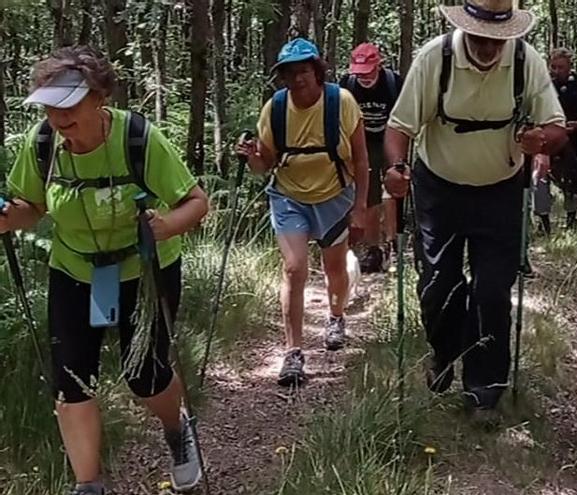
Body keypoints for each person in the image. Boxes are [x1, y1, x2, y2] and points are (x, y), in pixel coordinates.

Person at [0, 46, 209, 494]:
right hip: (74, 269)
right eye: (50, 107)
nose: (59, 118)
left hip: (145, 269)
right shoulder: (43, 144)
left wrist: (164, 225)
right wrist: (5, 216)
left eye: (69, 105)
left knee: (145, 376)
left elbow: (196, 202)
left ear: (99, 97)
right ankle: (88, 485)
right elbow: (29, 208)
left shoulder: (137, 137)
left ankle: (177, 429)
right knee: (71, 381)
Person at [384, 0, 567, 413]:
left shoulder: (525, 60)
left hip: (500, 190)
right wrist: (395, 168)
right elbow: (399, 126)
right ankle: (443, 355)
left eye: (498, 38)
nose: (489, 46)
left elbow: (556, 128)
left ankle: (485, 388)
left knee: (492, 289)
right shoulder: (436, 57)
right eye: (482, 36)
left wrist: (541, 139)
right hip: (439, 189)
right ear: (466, 28)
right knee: (438, 285)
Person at [237, 38, 368, 387]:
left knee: (334, 267)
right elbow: (264, 165)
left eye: (304, 71)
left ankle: (336, 315)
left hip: (336, 195)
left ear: (317, 71)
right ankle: (293, 352)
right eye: (289, 73)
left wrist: (360, 207)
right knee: (294, 268)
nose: (297, 80)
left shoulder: (341, 102)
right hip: (289, 195)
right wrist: (251, 156)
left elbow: (361, 158)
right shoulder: (275, 109)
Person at [339, 43, 404, 273]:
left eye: (368, 72)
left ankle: (394, 241)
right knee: (368, 194)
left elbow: (403, 117)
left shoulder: (393, 84)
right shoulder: (347, 86)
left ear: (379, 66)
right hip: (362, 143)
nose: (364, 78)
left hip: (389, 138)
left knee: (394, 188)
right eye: (360, 73)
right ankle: (373, 249)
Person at [532, 47, 577, 234]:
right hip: (547, 141)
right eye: (553, 67)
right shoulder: (542, 84)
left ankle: (571, 218)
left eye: (560, 67)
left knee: (573, 176)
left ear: (570, 66)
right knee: (541, 178)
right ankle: (543, 221)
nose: (556, 71)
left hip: (574, 140)